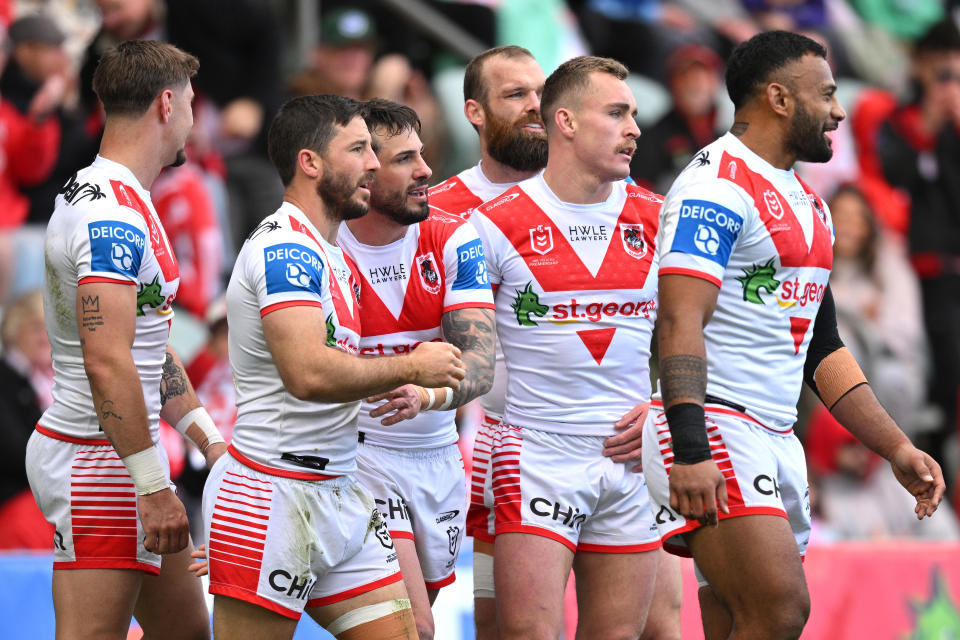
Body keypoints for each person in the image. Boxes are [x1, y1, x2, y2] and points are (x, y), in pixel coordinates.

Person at [643, 30, 945, 639]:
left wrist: (895, 447)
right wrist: (692, 450)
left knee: (738, 621)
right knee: (782, 609)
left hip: (778, 434)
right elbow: (678, 322)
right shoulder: (714, 186)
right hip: (715, 427)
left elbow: (821, 346)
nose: (838, 111)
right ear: (779, 99)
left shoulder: (810, 202)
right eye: (827, 95)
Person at [200, 93, 465, 640]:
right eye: (359, 149)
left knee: (414, 631)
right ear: (310, 162)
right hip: (273, 495)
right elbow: (309, 374)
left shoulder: (333, 251)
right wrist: (411, 365)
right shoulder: (286, 249)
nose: (373, 163)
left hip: (341, 490)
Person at [25, 40, 228, 640]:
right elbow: (107, 360)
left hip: (119, 454)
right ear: (167, 104)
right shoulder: (110, 216)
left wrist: (209, 441)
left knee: (186, 634)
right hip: (99, 459)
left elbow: (145, 344)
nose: (194, 118)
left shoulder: (119, 195)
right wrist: (151, 486)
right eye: (190, 104)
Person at [470, 55, 670, 640]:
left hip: (632, 456)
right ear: (566, 122)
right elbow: (462, 346)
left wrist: (663, 404)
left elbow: (708, 336)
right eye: (616, 113)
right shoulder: (491, 224)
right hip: (535, 453)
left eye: (633, 114)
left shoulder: (663, 217)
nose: (634, 128)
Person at [335, 97, 495, 640]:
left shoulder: (453, 236)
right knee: (414, 629)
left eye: (422, 154)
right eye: (405, 159)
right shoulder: (325, 245)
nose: (426, 170)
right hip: (357, 456)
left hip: (438, 458)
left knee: (409, 624)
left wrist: (428, 398)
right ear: (366, 169)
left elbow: (479, 363)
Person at [427, 45, 548, 639]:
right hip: (481, 455)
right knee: (504, 627)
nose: (536, 108)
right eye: (516, 95)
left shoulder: (605, 196)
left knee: (655, 624)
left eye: (542, 93)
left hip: (603, 442)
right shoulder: (435, 211)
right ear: (474, 112)